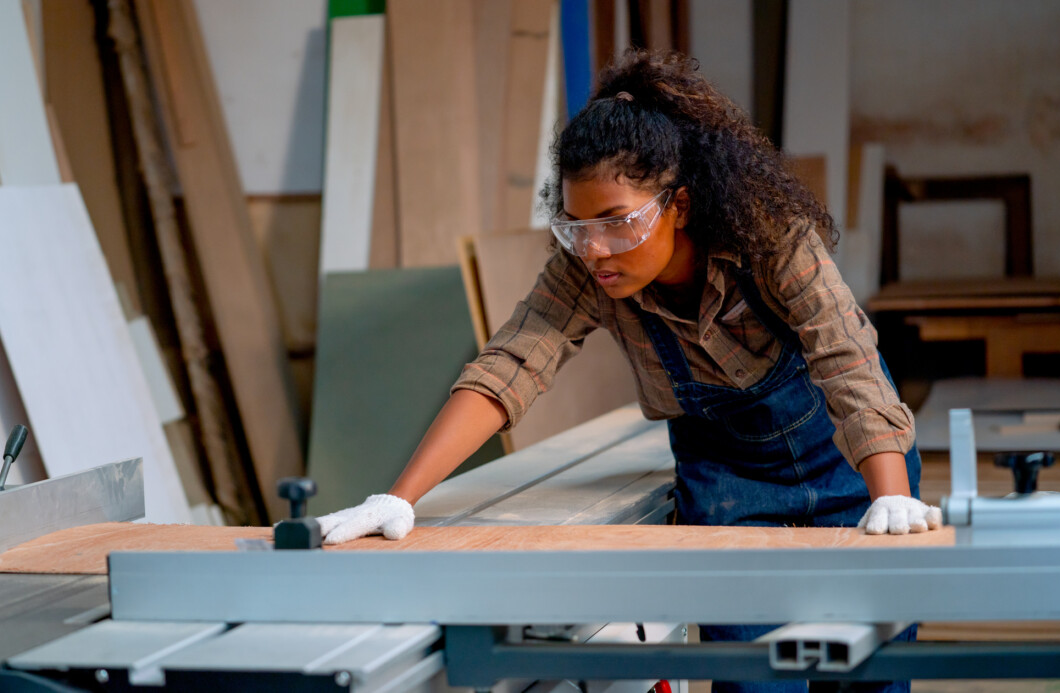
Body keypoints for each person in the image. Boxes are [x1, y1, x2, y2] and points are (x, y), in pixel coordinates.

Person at [318, 50, 941, 692]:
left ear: (678, 205)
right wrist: (398, 496)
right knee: (754, 679)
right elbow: (511, 362)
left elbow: (847, 357)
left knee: (871, 672)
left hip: (850, 467)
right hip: (730, 492)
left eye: (618, 222)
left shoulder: (771, 239)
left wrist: (889, 492)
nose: (594, 248)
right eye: (575, 225)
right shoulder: (586, 271)